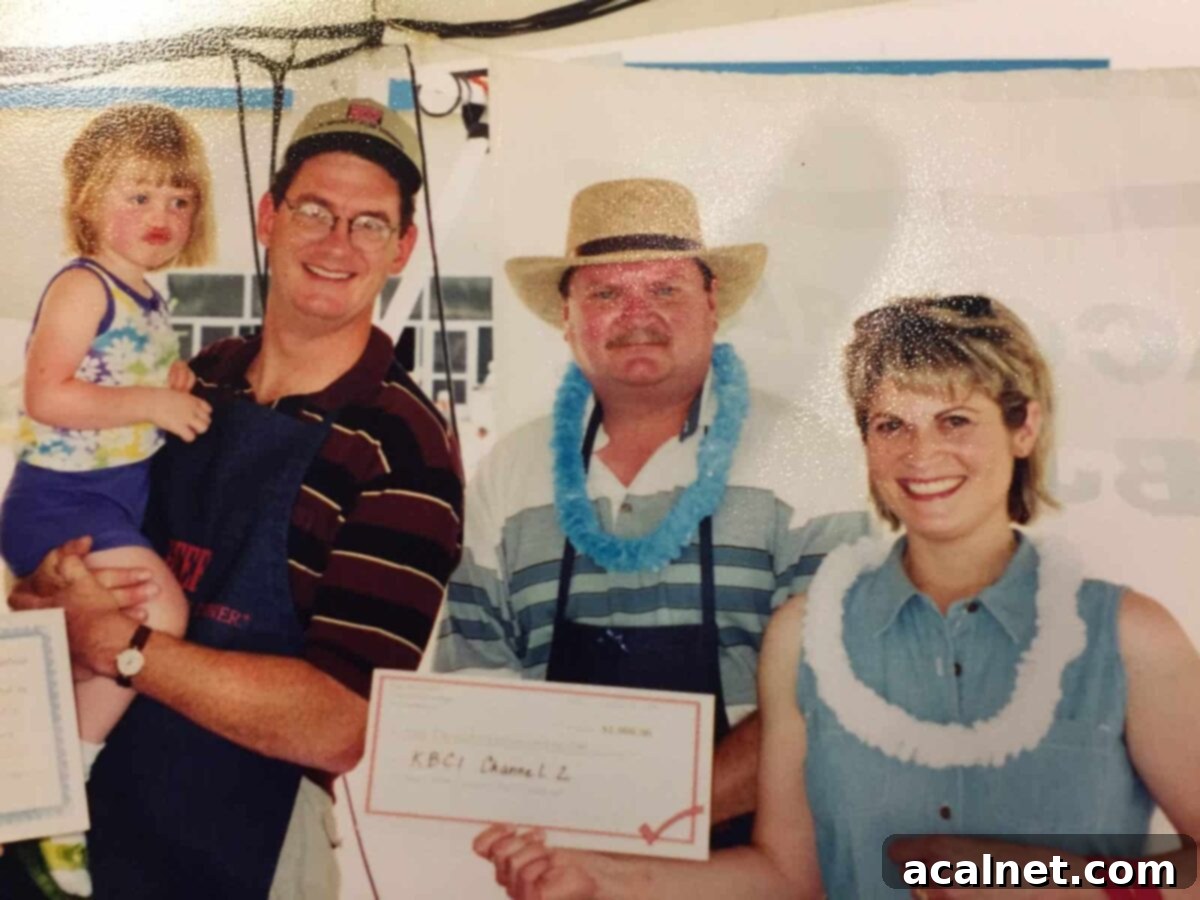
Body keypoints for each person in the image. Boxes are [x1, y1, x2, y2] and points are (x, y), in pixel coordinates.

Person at [475, 295, 1200, 899]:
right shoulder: (807, 635)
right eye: (891, 425)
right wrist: (598, 877)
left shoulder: (1130, 637)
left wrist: (1065, 884)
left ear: (1023, 427)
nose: (921, 454)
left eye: (954, 420)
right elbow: (785, 876)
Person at [8, 97, 464, 900]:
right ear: (267, 217)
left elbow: (338, 726)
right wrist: (48, 588)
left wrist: (117, 643)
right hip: (72, 825)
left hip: (242, 849)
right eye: (314, 210)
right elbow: (64, 565)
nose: (336, 242)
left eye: (368, 223)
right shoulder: (196, 379)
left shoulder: (404, 446)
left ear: (402, 248)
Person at [434, 178, 866, 847]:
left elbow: (830, 692)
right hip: (565, 862)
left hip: (763, 863)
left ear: (712, 303)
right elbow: (475, 673)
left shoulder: (804, 456)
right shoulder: (511, 471)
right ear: (567, 315)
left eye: (665, 289)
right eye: (606, 293)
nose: (638, 315)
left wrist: (642, 829)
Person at [0, 103, 213, 898]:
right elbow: (49, 396)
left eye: (179, 198)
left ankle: (40, 781)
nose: (163, 213)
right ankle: (65, 789)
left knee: (105, 635)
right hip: (63, 501)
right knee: (160, 615)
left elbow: (116, 379)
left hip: (109, 502)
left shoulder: (146, 296)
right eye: (138, 194)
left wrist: (169, 382)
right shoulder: (82, 286)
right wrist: (152, 403)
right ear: (88, 201)